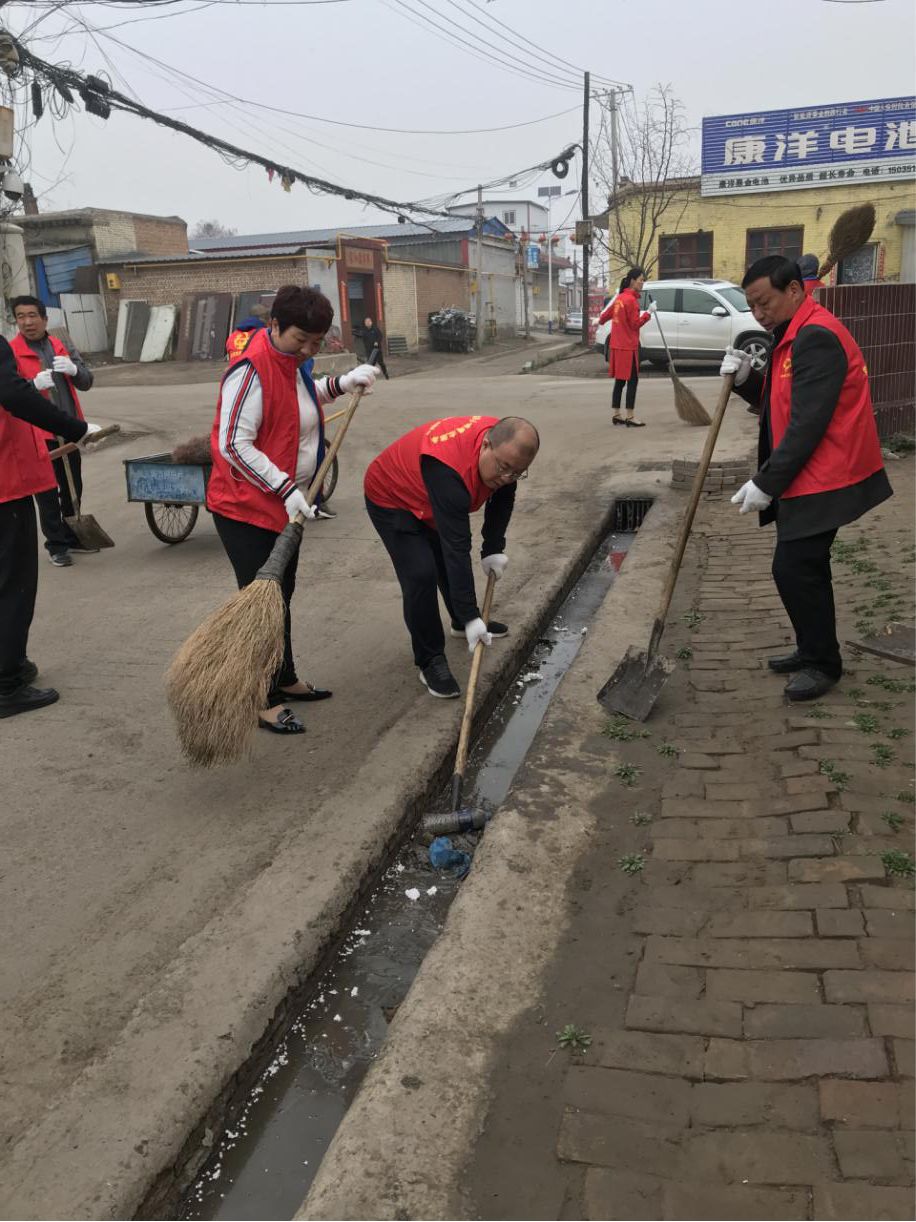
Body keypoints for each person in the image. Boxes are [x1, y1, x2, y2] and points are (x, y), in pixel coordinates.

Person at [206, 284, 378, 736]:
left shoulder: (293, 364)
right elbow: (231, 444)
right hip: (245, 508)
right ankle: (261, 698)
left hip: (287, 506)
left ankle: (284, 678)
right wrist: (284, 488)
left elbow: (301, 405)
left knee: (283, 596)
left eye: (317, 342)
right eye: (300, 338)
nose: (308, 349)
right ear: (274, 325)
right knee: (260, 604)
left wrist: (341, 384)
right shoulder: (249, 371)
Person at [721, 255, 892, 702]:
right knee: (802, 568)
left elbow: (807, 424)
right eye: (752, 306)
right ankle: (811, 648)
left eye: (764, 303)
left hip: (828, 474)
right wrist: (745, 380)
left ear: (794, 290)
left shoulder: (816, 337)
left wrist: (766, 483)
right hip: (809, 473)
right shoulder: (793, 333)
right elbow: (778, 398)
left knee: (794, 568)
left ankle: (823, 664)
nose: (758, 314)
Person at [364, 415, 539, 698]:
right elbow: (456, 546)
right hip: (392, 496)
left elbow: (502, 499)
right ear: (485, 445)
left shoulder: (507, 449)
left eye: (517, 473)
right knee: (421, 573)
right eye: (503, 468)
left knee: (444, 557)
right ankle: (430, 659)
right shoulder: (448, 468)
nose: (506, 477)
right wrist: (473, 615)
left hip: (428, 494)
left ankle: (458, 620)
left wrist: (493, 547)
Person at [0, 334, 101, 717]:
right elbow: (12, 395)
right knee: (14, 584)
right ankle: (7, 685)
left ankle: (12, 662)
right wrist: (77, 428)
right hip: (5, 486)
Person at [10, 295, 96, 568]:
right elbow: (10, 394)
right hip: (36, 433)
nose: (27, 322)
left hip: (68, 426)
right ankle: (56, 545)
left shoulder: (61, 344)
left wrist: (73, 369)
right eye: (21, 316)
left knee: (73, 484)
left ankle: (72, 535)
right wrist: (30, 385)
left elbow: (86, 381)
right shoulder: (11, 352)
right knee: (47, 491)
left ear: (44, 319)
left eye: (32, 315)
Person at [597, 267, 656, 427]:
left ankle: (617, 414)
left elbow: (604, 317)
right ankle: (630, 416)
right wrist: (648, 313)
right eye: (641, 280)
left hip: (616, 346)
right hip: (627, 347)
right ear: (632, 281)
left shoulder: (620, 298)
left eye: (643, 280)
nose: (642, 283)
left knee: (620, 381)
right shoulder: (631, 301)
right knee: (632, 381)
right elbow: (635, 324)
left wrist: (600, 321)